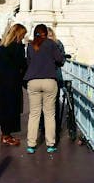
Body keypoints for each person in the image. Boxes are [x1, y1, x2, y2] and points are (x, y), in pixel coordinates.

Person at [24, 23, 65, 153]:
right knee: (49, 114)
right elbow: (60, 60)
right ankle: (50, 144)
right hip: (49, 80)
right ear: (46, 34)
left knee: (34, 114)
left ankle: (31, 144)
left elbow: (29, 62)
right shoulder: (52, 44)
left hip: (33, 80)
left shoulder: (30, 45)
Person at [0, 23, 28, 147]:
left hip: (1, 81)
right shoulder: (17, 48)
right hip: (12, 82)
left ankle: (5, 133)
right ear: (19, 34)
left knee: (3, 107)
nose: (23, 37)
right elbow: (22, 64)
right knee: (11, 108)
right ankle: (6, 136)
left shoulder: (2, 46)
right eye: (23, 35)